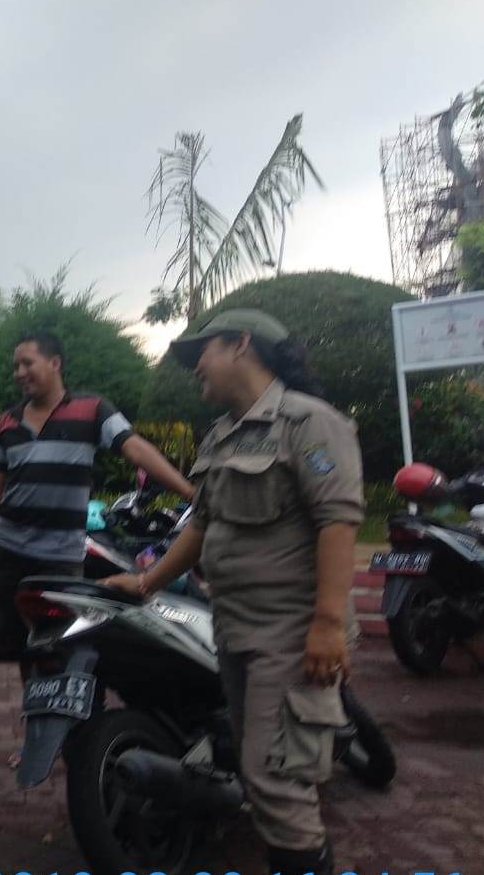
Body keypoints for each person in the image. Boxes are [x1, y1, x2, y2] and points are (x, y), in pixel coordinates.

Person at [102, 310, 362, 875]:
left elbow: (338, 521)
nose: (196, 365)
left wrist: (326, 623)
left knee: (277, 779)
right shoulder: (222, 435)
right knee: (257, 768)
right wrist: (146, 582)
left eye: (204, 350)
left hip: (291, 634)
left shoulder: (309, 423)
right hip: (234, 628)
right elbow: (202, 524)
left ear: (242, 344)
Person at [0, 331, 194, 673]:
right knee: (20, 651)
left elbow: (136, 449)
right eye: (15, 366)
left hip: (60, 558)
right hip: (10, 555)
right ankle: (33, 704)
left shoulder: (92, 409)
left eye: (27, 363)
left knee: (59, 652)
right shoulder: (7, 421)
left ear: (55, 363)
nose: (19, 373)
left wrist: (191, 493)